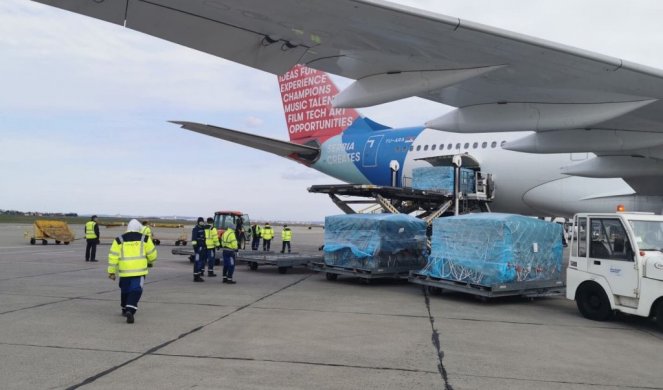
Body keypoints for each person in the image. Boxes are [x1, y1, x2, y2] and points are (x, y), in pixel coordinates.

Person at [107, 219, 157, 324]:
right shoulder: (145, 239)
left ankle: (124, 308)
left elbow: (112, 257)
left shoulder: (119, 240)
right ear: (139, 228)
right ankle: (130, 309)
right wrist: (150, 262)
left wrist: (111, 272)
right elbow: (152, 254)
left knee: (125, 290)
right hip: (139, 272)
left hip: (124, 272)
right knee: (136, 290)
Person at [191, 217, 207, 282]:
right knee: (197, 262)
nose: (202, 222)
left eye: (202, 221)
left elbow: (204, 238)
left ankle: (199, 275)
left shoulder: (203, 228)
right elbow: (194, 240)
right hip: (198, 248)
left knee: (201, 262)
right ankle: (196, 276)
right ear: (198, 222)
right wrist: (196, 248)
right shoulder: (195, 229)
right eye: (200, 221)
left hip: (202, 248)